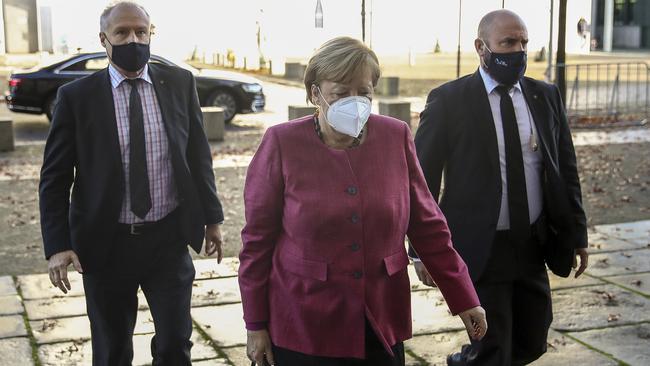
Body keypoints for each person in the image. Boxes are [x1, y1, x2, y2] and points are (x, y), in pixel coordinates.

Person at [238, 36, 487, 366]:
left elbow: (429, 227)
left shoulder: (395, 136)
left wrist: (463, 296)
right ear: (315, 93)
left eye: (364, 92)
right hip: (304, 319)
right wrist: (255, 325)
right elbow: (256, 242)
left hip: (381, 318)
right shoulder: (281, 143)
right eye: (341, 93)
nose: (354, 102)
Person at [39, 2, 224, 365]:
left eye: (141, 31)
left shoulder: (179, 82)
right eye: (122, 33)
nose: (133, 39)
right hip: (105, 245)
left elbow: (197, 156)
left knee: (175, 345)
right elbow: (55, 178)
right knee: (111, 351)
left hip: (167, 240)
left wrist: (212, 219)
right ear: (104, 39)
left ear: (151, 33)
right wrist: (57, 245)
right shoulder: (77, 97)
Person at [410, 9, 589, 366]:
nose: (518, 51)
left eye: (523, 42)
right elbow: (420, 181)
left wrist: (577, 235)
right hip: (479, 246)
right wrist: (420, 251)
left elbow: (565, 170)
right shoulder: (449, 101)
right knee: (492, 348)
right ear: (481, 47)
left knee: (532, 340)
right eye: (507, 42)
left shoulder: (545, 96)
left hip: (532, 243)